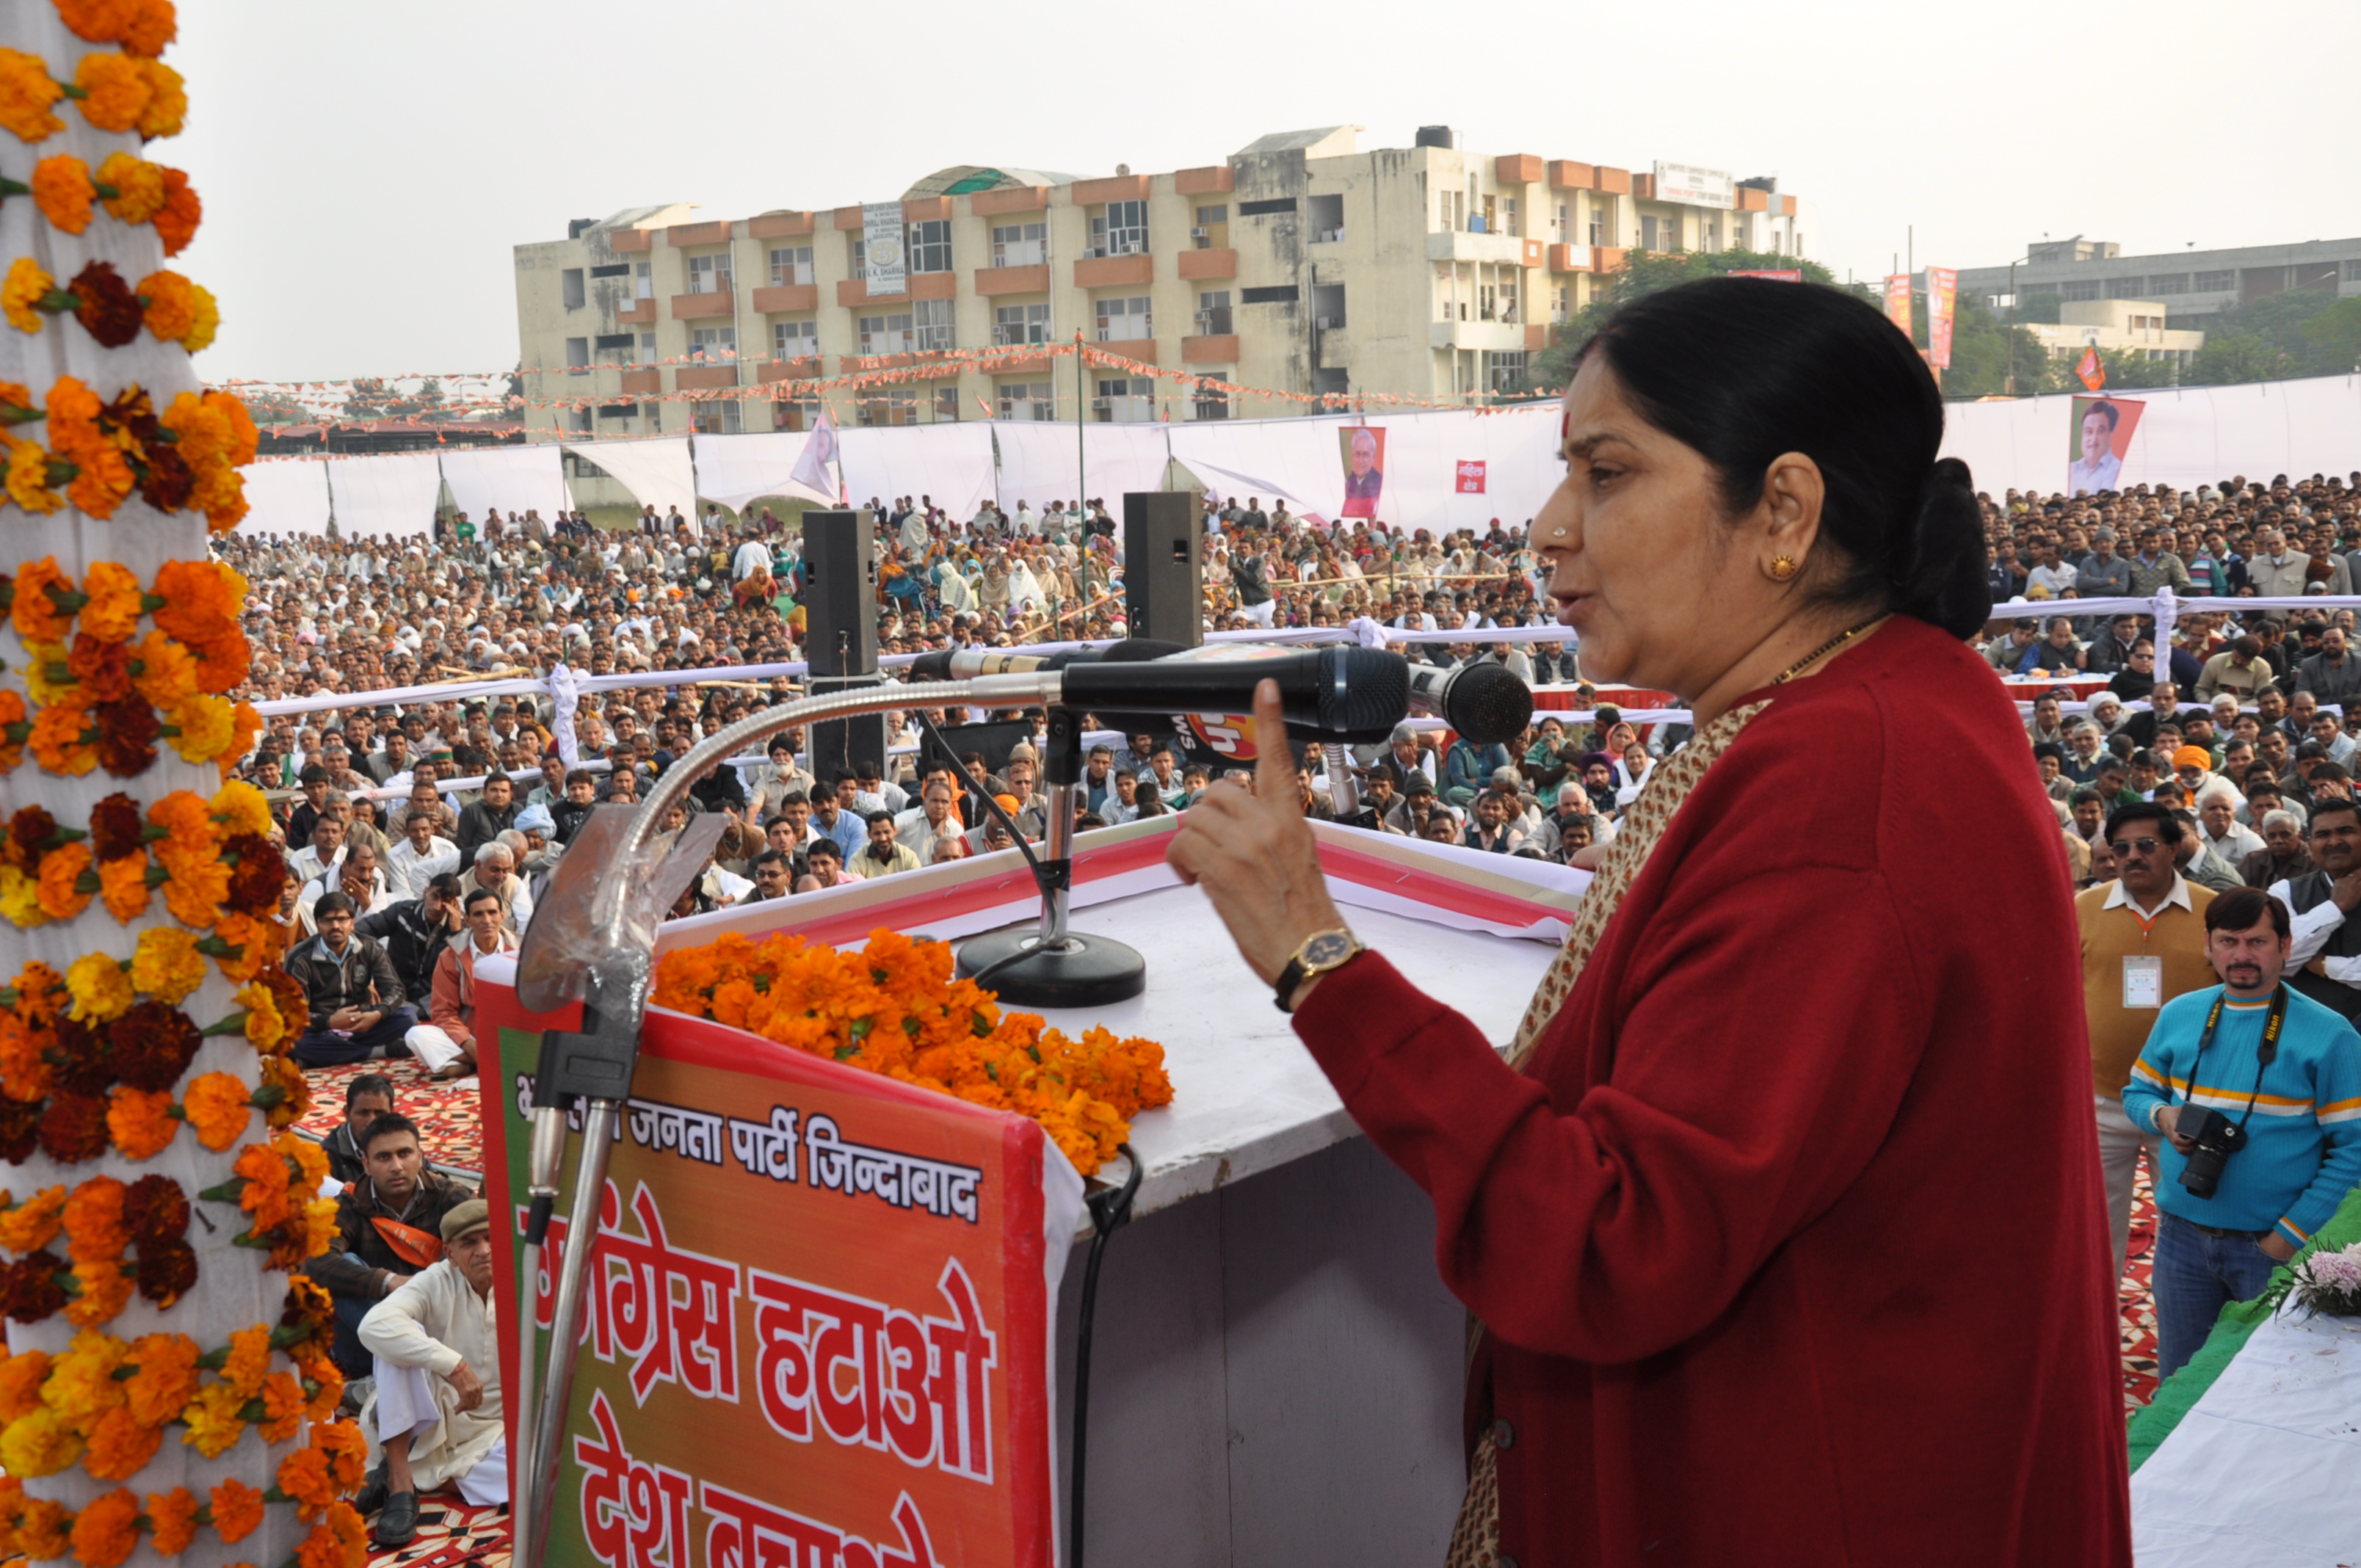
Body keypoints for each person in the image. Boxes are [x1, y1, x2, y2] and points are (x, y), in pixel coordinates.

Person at [1161, 277, 2128, 1564]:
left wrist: (1317, 956)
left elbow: (1617, 1238)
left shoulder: (1844, 784)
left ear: (1782, 507)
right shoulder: (1886, 700)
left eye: (1605, 475)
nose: (1549, 530)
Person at [2121, 888, 2361, 1379]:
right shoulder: (2180, 1014)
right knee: (2179, 1381)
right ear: (2208, 945)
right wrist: (2164, 1118)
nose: (2242, 956)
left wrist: (2286, 1240)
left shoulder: (2331, 1034)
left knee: (2268, 1386)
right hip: (2181, 1241)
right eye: (2228, 941)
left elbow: (2353, 1150)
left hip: (2272, 1248)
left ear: (2286, 946)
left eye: (2257, 941)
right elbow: (2137, 1092)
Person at [2076, 802, 2218, 1279]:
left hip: (2187, 1103)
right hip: (2101, 1101)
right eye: (2121, 848)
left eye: (2145, 845)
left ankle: (2191, 1338)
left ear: (2174, 849)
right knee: (2094, 1234)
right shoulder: (2084, 908)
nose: (2132, 856)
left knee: (2190, 1231)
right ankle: (2096, 1346)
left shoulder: (2211, 910)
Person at [355, 1199, 507, 1545]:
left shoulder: (523, 1278)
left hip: (495, 1431)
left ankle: (425, 1474)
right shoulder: (435, 1280)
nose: (483, 1251)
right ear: (450, 1256)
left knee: (537, 1478)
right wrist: (454, 1366)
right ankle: (400, 1483)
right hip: (432, 1416)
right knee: (396, 1344)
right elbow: (372, 1326)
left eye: (489, 1238)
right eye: (469, 1243)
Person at [305, 1113, 476, 1379]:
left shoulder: (450, 1197)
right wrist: (390, 1281)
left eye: (404, 1154)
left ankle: (421, 1368)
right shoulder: (349, 1206)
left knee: (472, 1248)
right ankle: (403, 1373)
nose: (397, 1166)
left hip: (443, 1329)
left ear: (420, 1157)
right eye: (384, 1157)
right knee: (340, 1267)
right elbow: (315, 1262)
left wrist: (429, 1285)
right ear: (367, 1164)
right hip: (377, 1347)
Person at [286, 893, 418, 1067]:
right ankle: (377, 1052)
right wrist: (329, 1021)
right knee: (295, 1041)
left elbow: (395, 990)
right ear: (317, 924)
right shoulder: (300, 957)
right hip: (320, 1029)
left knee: (408, 1018)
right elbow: (293, 1011)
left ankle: (326, 1055)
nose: (335, 926)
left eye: (342, 919)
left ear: (352, 922)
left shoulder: (369, 946)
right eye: (328, 921)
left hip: (363, 1025)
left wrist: (376, 1015)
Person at [2266, 796, 2361, 1020]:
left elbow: (2287, 950)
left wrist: (2325, 965)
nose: (2335, 842)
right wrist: (2335, 908)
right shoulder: (2284, 892)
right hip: (2303, 1027)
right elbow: (2275, 958)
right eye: (2323, 835)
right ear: (2309, 844)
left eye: (2345, 831)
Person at [407, 888, 516, 1079]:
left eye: (492, 913)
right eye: (478, 914)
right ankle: (485, 1061)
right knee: (416, 1035)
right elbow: (443, 1012)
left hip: (512, 1034)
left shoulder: (521, 951)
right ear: (468, 920)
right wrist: (469, 1044)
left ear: (502, 915)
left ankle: (464, 1065)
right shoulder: (451, 956)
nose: (486, 920)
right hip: (470, 1036)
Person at [320, 1074, 396, 1188]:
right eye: (364, 1113)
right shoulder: (328, 1157)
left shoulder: (402, 1140)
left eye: (380, 1113)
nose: (372, 1121)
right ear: (347, 1113)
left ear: (391, 1113)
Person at [2068, 401, 2124, 496]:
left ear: (2111, 434)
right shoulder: (2072, 469)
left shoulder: (2118, 468)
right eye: (2089, 432)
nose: (2093, 439)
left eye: (2100, 431)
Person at [851, 810, 921, 878]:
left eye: (887, 832)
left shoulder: (908, 856)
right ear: (869, 834)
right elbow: (852, 887)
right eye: (877, 834)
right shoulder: (858, 859)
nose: (883, 839)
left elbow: (920, 884)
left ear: (894, 830)